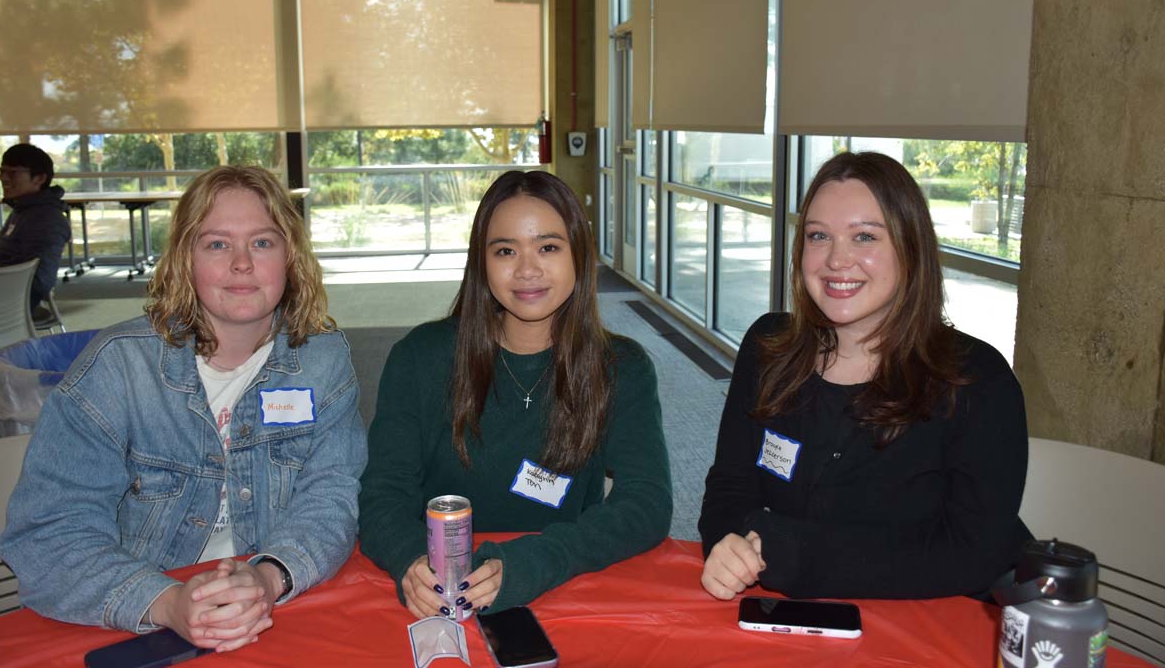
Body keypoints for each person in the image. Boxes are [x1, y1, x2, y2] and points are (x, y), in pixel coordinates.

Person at [0, 165, 367, 652]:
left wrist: (268, 578)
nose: (241, 264)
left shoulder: (321, 358)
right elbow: (50, 533)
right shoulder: (118, 368)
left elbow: (331, 495)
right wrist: (168, 602)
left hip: (273, 608)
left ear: (291, 257)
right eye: (217, 244)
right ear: (183, 258)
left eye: (262, 243)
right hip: (140, 615)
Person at [698, 151, 1030, 602]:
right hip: (783, 616)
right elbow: (730, 487)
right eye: (819, 236)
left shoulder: (975, 381)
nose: (837, 259)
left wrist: (800, 555)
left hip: (924, 626)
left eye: (864, 237)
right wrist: (727, 545)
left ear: (910, 248)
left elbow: (973, 554)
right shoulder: (768, 348)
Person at [359, 170, 672, 618]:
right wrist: (412, 562)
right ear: (481, 264)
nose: (527, 270)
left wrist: (539, 561)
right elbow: (383, 493)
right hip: (437, 593)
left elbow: (647, 503)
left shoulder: (621, 367)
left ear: (578, 257)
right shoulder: (419, 358)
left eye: (548, 247)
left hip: (564, 586)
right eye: (506, 250)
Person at [0, 143, 71, 312]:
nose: (4, 178)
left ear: (40, 178)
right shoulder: (22, 210)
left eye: (12, 173)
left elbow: (40, 282)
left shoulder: (48, 220)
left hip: (7, 305)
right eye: (2, 171)